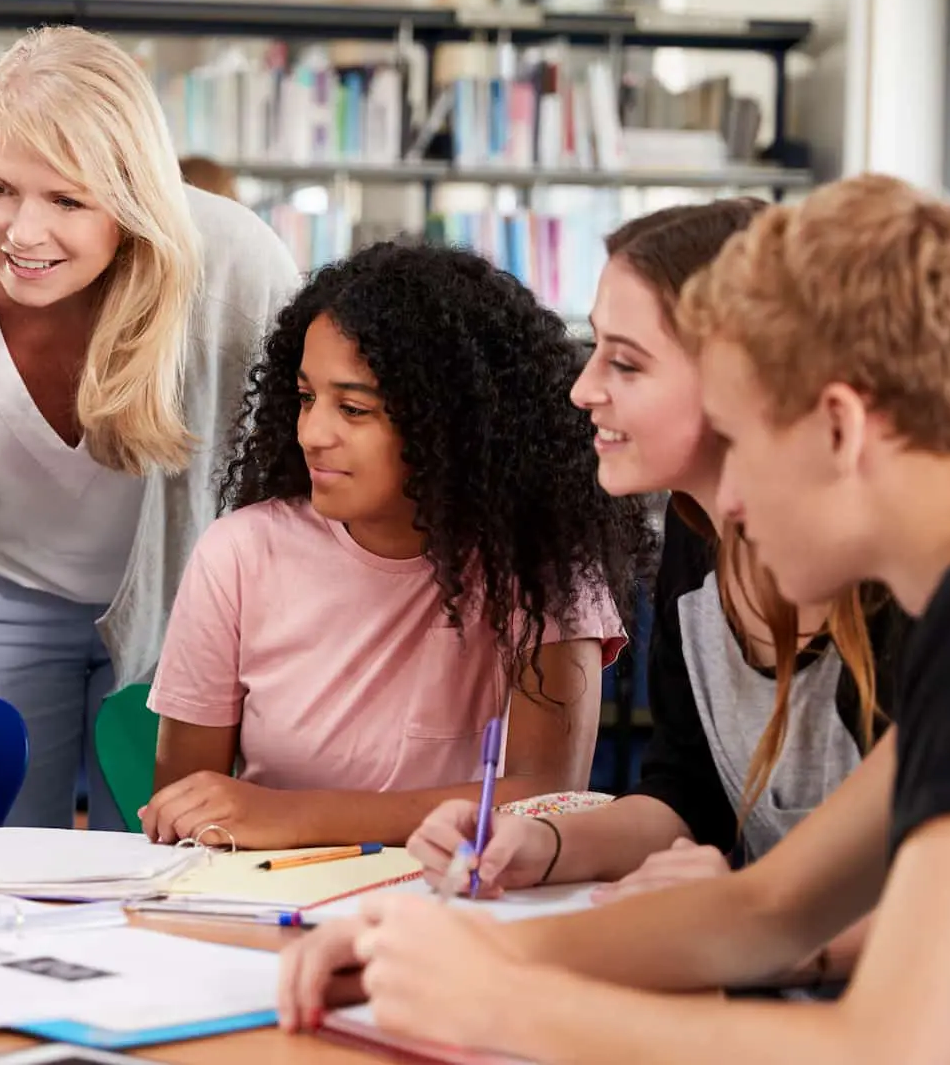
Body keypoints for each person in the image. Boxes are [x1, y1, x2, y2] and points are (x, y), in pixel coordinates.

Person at [280, 175, 950, 1065]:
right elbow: (770, 907)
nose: (735, 503)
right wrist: (466, 952)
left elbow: (897, 1044)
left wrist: (507, 1003)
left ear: (839, 428)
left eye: (744, 442)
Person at [401, 200, 907, 989]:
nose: (582, 390)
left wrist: (749, 925)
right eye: (595, 347)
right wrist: (542, 844)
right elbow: (688, 797)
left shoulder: (916, 586)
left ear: (745, 376)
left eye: (626, 362)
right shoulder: (698, 537)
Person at [0, 25, 300, 830]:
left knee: (153, 849)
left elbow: (313, 454)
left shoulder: (238, 271)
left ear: (133, 197)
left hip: (184, 601)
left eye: (66, 199)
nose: (23, 233)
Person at [138, 242, 643, 849]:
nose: (312, 433)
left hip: (457, 899)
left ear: (452, 427)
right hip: (269, 901)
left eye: (353, 409)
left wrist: (296, 818)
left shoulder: (542, 567)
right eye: (305, 398)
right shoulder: (238, 554)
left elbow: (547, 796)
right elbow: (189, 807)